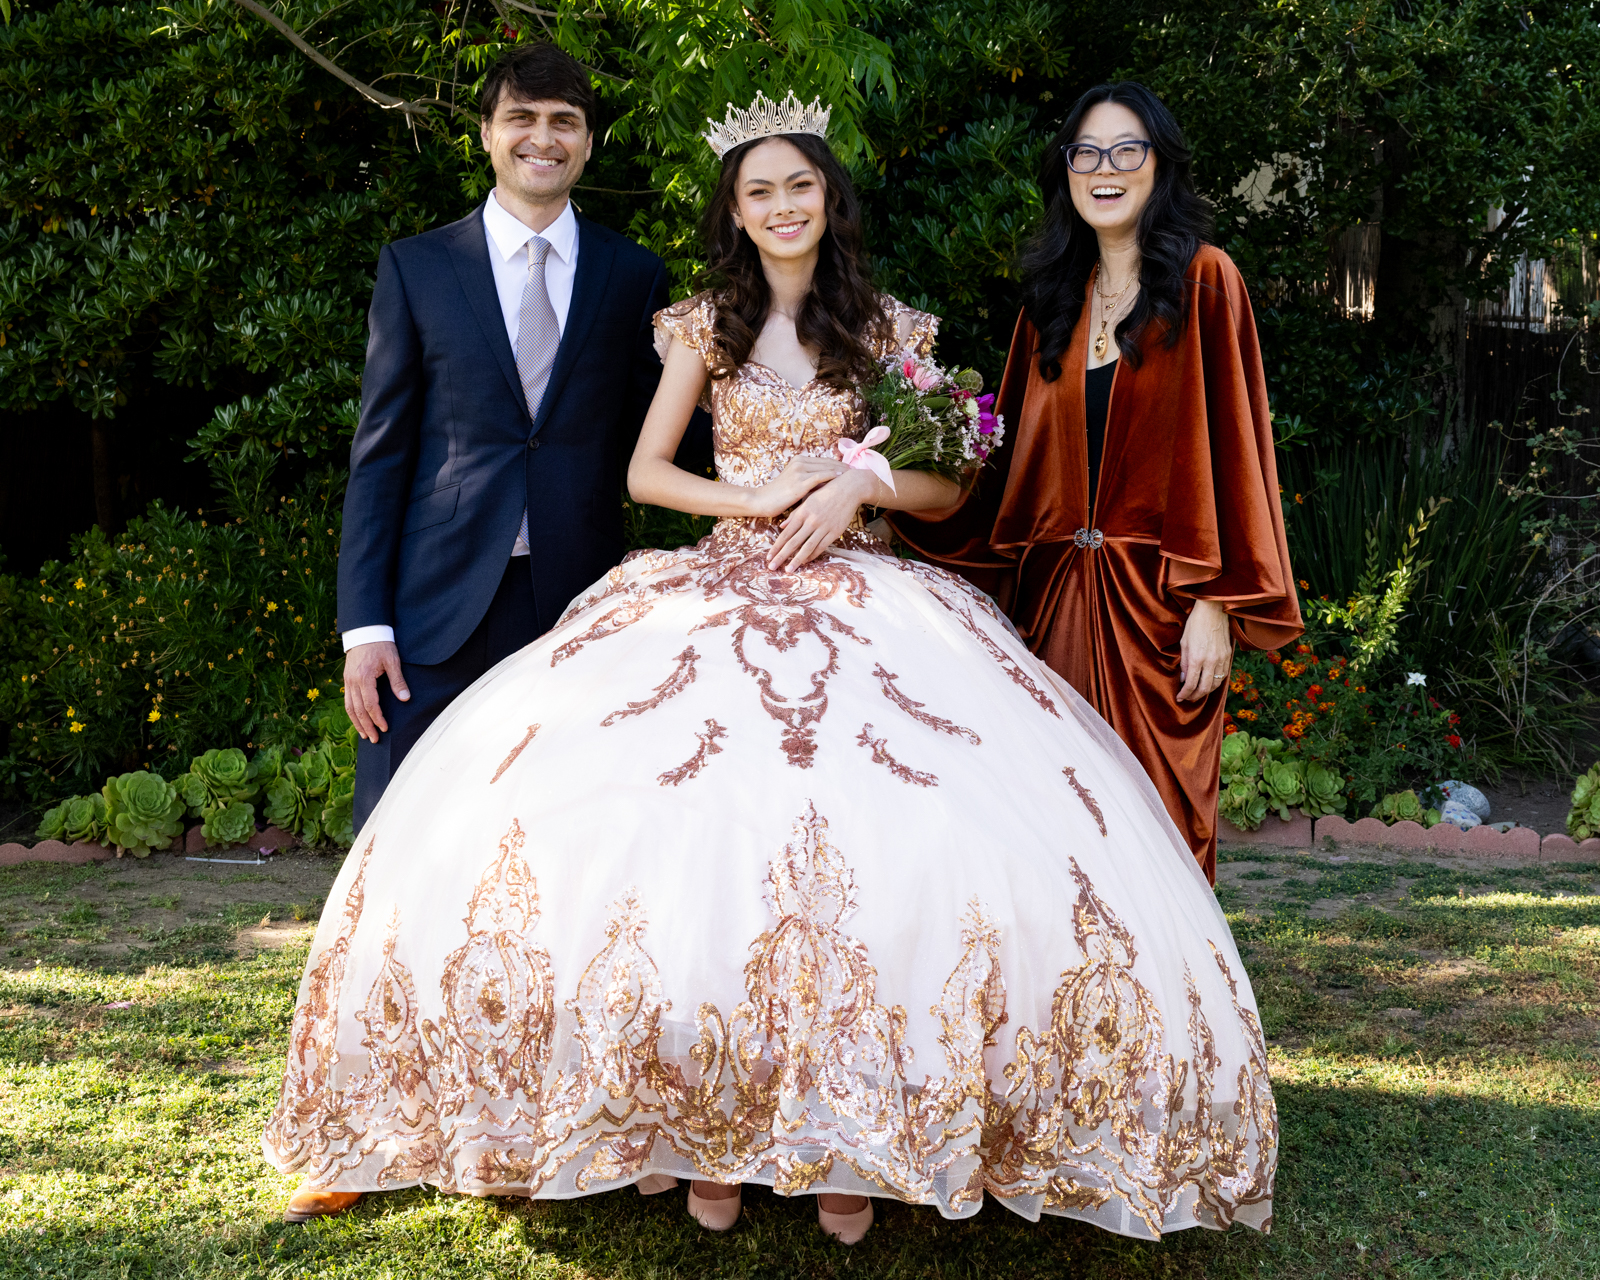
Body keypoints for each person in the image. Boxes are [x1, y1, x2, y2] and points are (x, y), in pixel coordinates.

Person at [265, 90, 1278, 1245]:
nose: (783, 206)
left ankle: (859, 1133)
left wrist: (866, 484)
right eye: (760, 191)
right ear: (736, 213)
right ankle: (682, 1118)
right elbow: (647, 471)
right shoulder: (701, 326)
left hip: (871, 593)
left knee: (901, 841)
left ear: (828, 200)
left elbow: (954, 486)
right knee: (675, 840)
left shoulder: (895, 330)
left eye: (801, 185)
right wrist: (742, 496)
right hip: (722, 584)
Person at [892, 82, 1302, 882]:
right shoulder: (1047, 304)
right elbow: (997, 470)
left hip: (1157, 611)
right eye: (1087, 153)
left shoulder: (1207, 283)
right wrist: (887, 491)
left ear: (1161, 166)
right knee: (1053, 829)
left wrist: (1214, 605)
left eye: (1127, 150)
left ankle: (1168, 1006)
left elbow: (1237, 449)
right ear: (1067, 171)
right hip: (1051, 612)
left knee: (1156, 831)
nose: (1104, 169)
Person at [336, 42, 707, 840]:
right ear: (486, 134)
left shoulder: (633, 274)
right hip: (435, 604)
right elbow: (380, 456)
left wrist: (800, 405)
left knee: (559, 834)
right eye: (522, 118)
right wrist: (365, 630)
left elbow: (668, 430)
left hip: (578, 599)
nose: (543, 136)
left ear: (588, 142)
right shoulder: (418, 268)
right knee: (404, 833)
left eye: (564, 121)